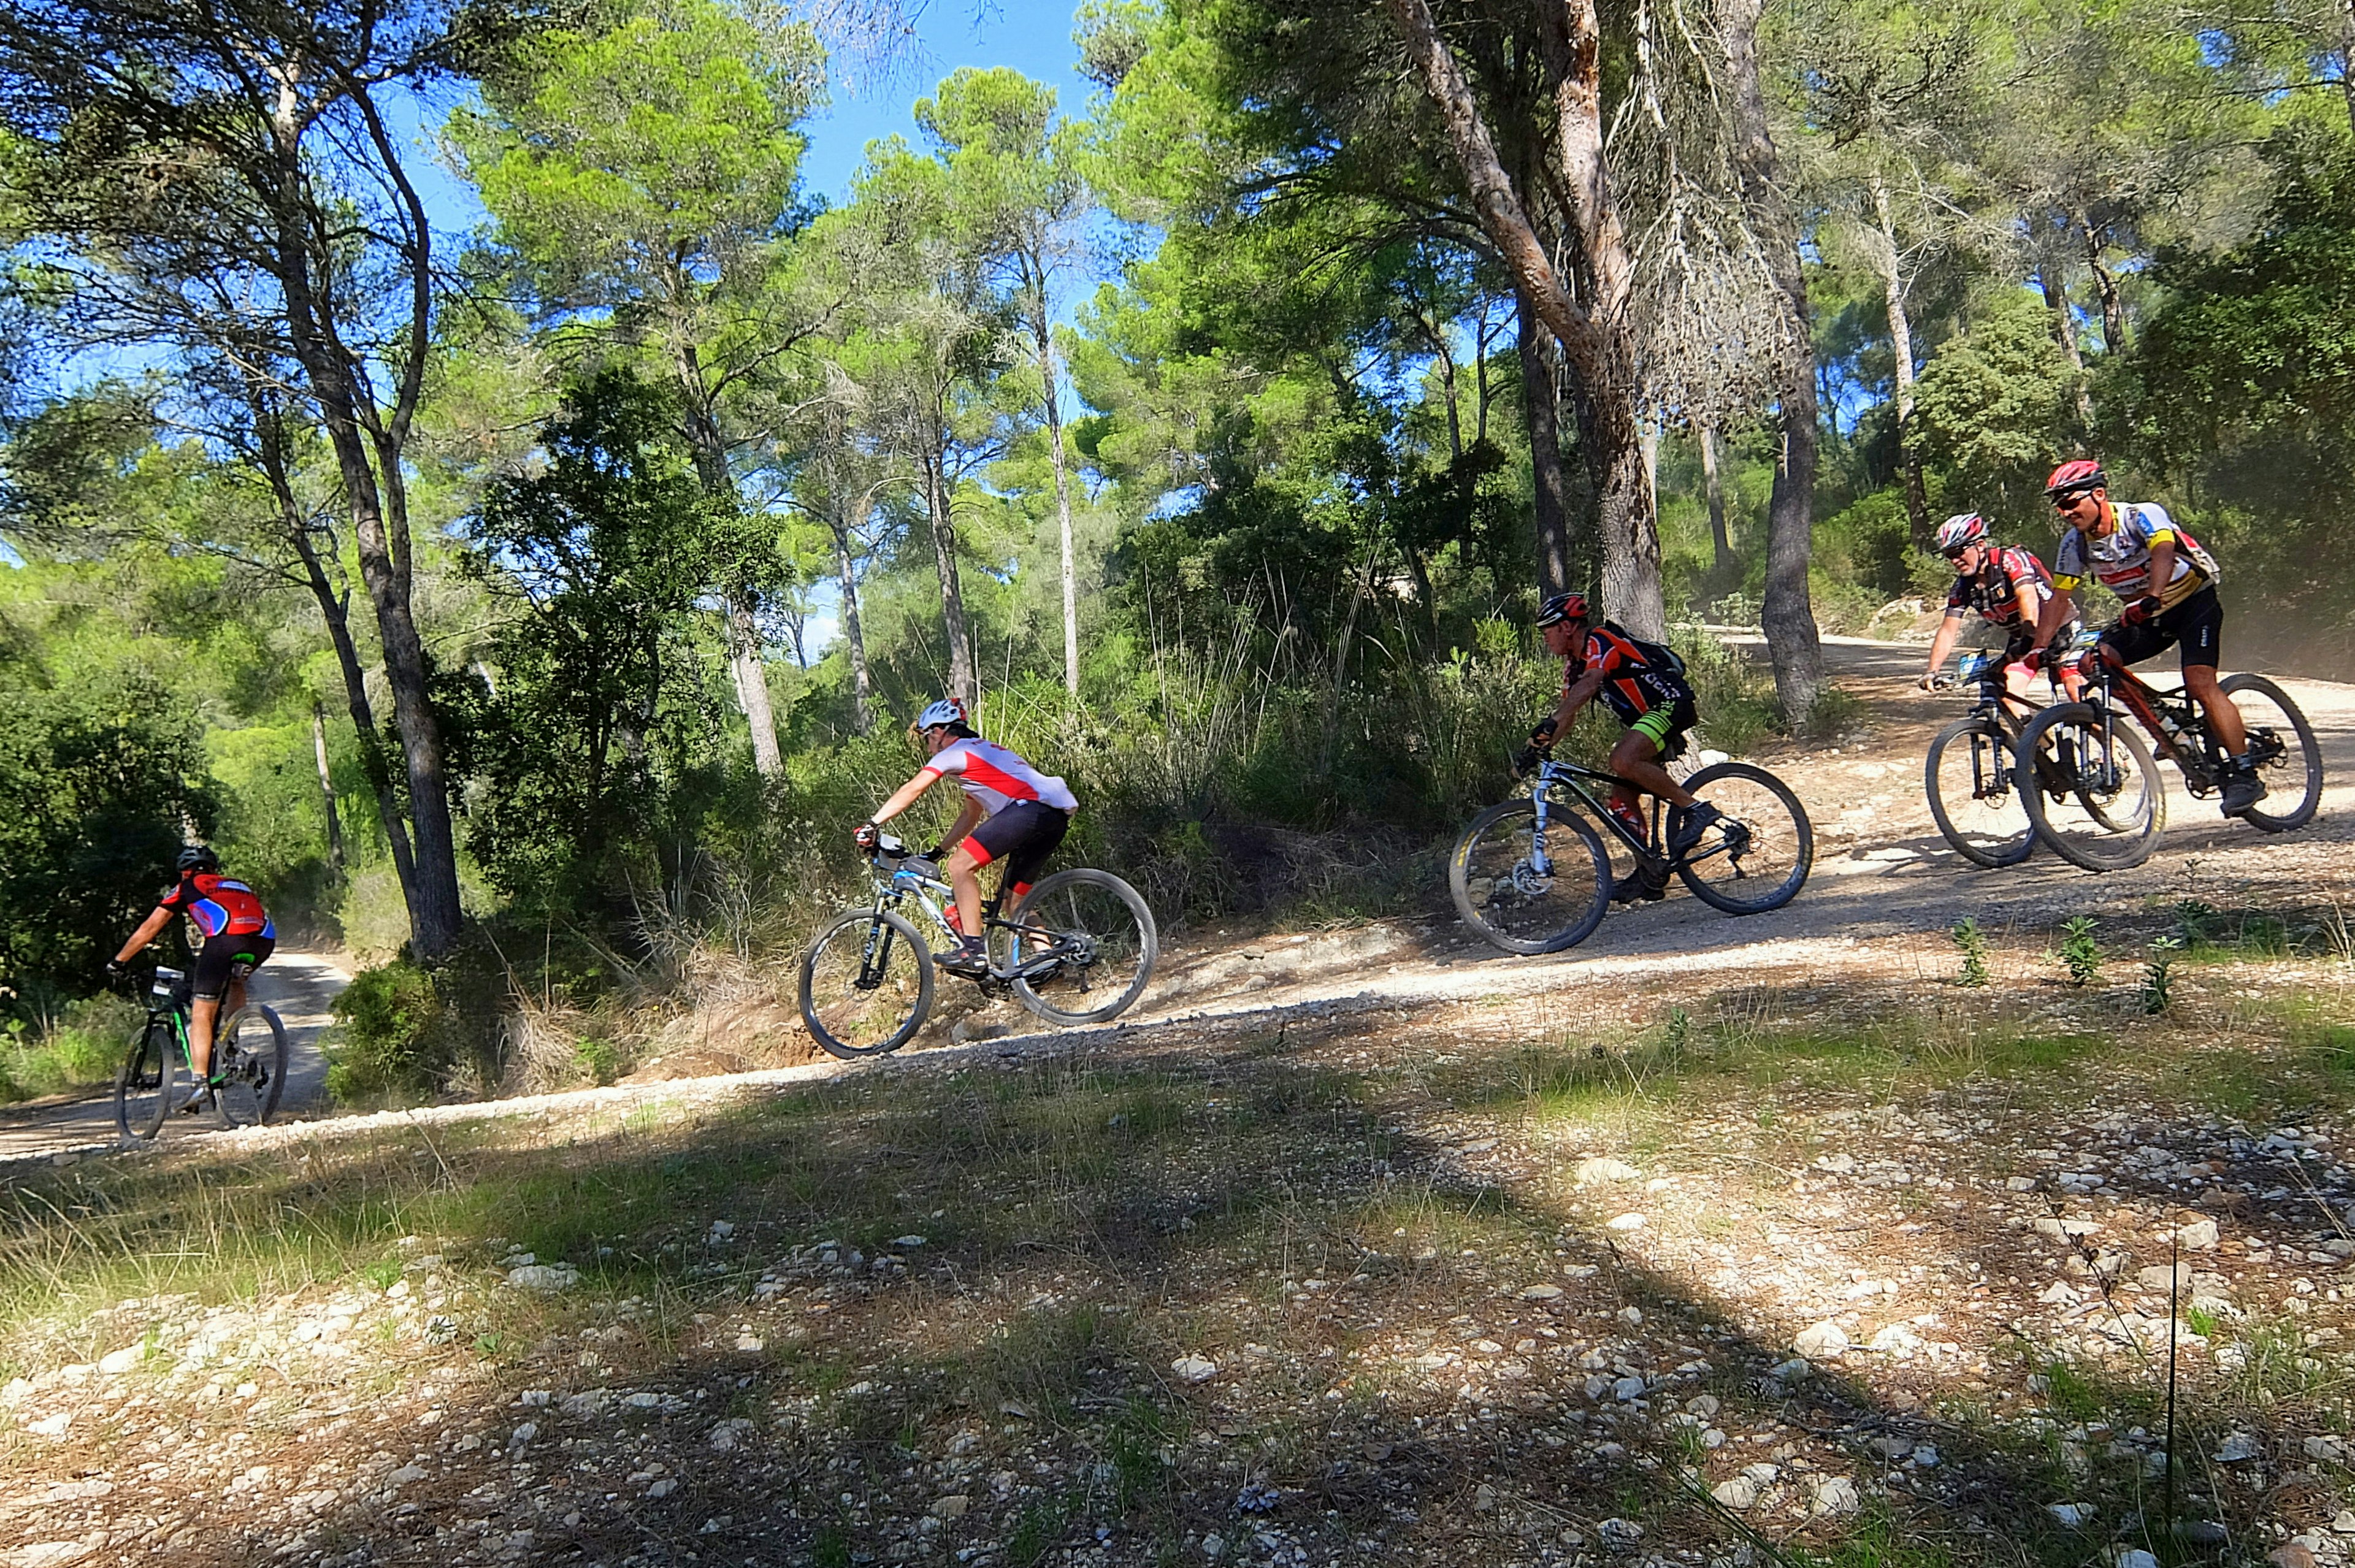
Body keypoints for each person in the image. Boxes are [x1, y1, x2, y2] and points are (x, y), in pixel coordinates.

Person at [2024, 459, 2263, 817]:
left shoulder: (2140, 516)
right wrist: (2040, 647)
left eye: (2071, 501)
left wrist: (2153, 594)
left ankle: (2245, 772)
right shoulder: (2074, 545)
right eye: (2059, 504)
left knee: (2199, 683)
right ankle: (2168, 728)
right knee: (2095, 663)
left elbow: (2162, 551)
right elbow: (2060, 598)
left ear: (2099, 494)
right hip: (2145, 615)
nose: (2065, 511)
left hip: (2191, 603)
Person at [1518, 591, 1719, 905]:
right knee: (1621, 801)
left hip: (1670, 703)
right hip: (1647, 719)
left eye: (1548, 629)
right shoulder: (1573, 667)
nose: (1545, 638)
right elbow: (1568, 714)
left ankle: (1697, 810)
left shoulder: (1600, 641)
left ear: (1568, 627)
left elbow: (1591, 685)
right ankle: (1648, 873)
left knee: (1622, 760)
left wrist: (1551, 721)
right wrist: (1537, 748)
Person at [856, 697, 1077, 978]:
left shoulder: (954, 753)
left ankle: (973, 952)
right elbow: (970, 816)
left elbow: (913, 789)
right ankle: (1047, 960)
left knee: (960, 867)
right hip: (1054, 818)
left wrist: (872, 824)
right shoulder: (979, 753)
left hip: (1028, 809)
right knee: (1013, 904)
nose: (927, 747)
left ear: (938, 732)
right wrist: (938, 851)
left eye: (927, 738)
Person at [107, 846, 275, 1114]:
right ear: (213, 869)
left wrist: (120, 960)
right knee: (236, 981)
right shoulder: (236, 884)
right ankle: (231, 1045)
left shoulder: (186, 887)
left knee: (201, 1012)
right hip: (263, 940)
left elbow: (150, 927)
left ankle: (200, 1083)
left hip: (225, 941)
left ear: (185, 871)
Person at [1916, 511, 2083, 704]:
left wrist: (2029, 638)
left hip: (2061, 628)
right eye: (1949, 555)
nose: (1954, 560)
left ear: (1980, 545)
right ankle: (2034, 734)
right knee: (2005, 691)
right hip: (2025, 639)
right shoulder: (1962, 587)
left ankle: (2105, 730)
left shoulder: (2010, 559)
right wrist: (1932, 670)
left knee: (2072, 682)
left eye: (1958, 551)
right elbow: (1948, 630)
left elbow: (2027, 596)